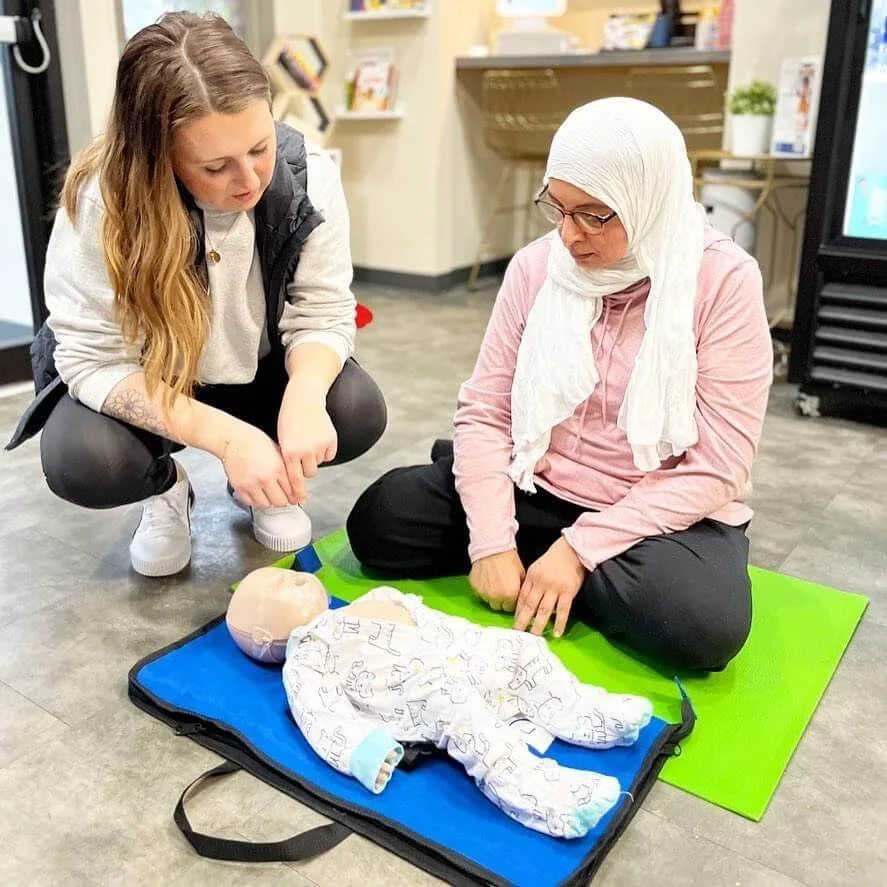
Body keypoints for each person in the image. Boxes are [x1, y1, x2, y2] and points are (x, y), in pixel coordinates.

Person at [347, 98, 773, 673]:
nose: (570, 236)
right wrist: (492, 542)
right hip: (538, 483)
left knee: (701, 624)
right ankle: (545, 572)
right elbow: (486, 411)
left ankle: (554, 572)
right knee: (380, 520)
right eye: (559, 208)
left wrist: (578, 551)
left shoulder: (724, 280)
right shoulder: (535, 266)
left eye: (596, 215)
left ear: (648, 201)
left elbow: (720, 464)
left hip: (649, 518)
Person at [6, 12, 386, 577]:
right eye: (215, 166)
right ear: (159, 156)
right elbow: (91, 360)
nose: (250, 180)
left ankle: (266, 476)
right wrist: (227, 441)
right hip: (153, 381)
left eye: (259, 147)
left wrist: (305, 396)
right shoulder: (103, 201)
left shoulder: (307, 174)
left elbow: (322, 309)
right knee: (87, 462)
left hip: (257, 372)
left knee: (353, 410)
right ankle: (164, 488)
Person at [227, 570, 652, 838]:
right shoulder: (308, 651)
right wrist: (364, 750)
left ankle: (585, 712)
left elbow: (442, 622)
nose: (293, 577)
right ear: (264, 636)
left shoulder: (376, 597)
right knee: (466, 716)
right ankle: (544, 797)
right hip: (424, 693)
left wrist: (481, 645)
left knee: (525, 650)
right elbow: (318, 712)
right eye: (277, 585)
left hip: (464, 656)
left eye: (286, 573)